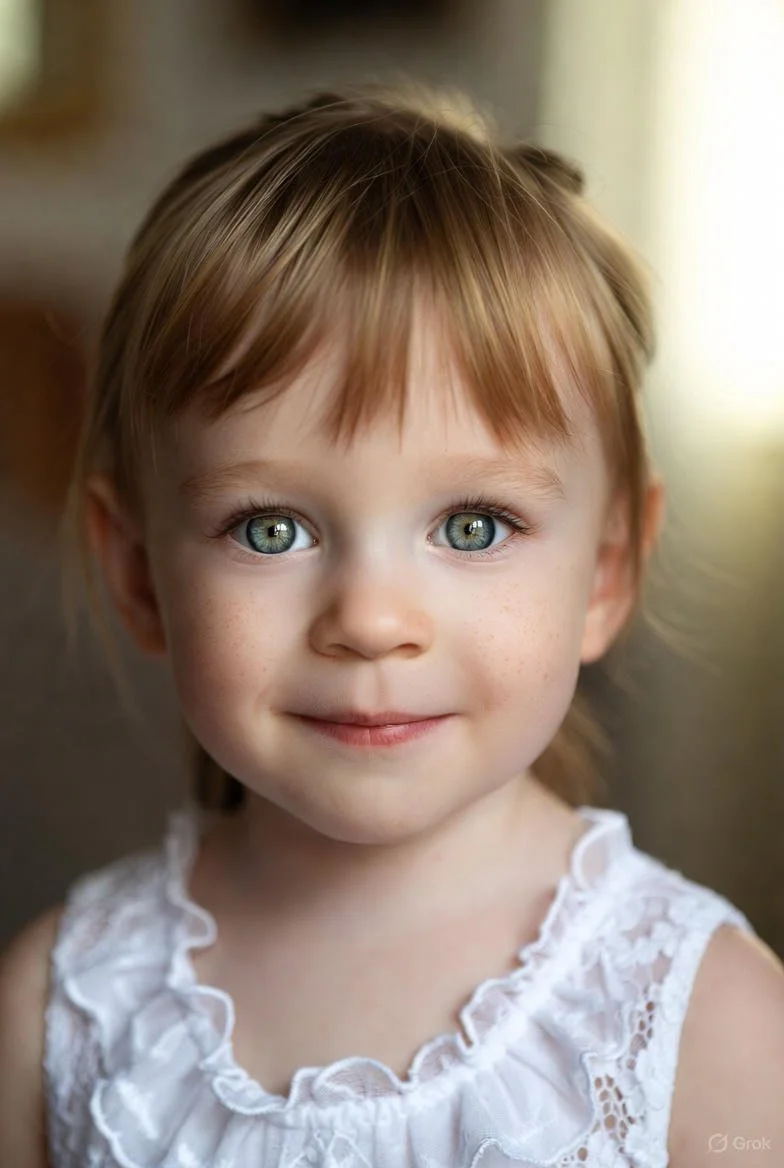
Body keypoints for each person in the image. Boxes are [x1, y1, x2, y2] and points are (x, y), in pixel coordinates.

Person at [1, 81, 783, 1168]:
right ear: (136, 573)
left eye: (473, 525)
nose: (370, 621)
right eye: (270, 528)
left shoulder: (708, 1025)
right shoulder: (61, 1009)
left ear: (605, 573)